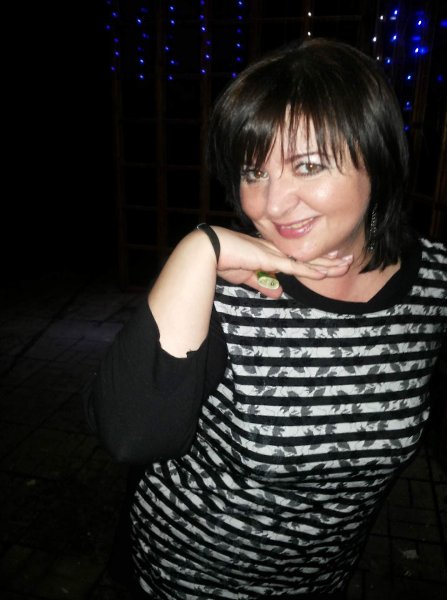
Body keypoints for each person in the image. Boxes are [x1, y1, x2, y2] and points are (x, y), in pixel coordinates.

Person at [86, 37, 447, 599]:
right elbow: (131, 436)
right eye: (254, 172)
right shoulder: (228, 288)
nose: (272, 205)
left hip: (318, 583)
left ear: (377, 158)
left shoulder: (435, 285)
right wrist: (199, 249)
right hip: (182, 580)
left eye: (308, 166)